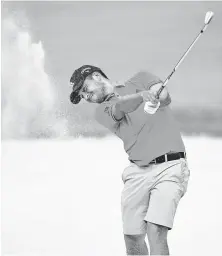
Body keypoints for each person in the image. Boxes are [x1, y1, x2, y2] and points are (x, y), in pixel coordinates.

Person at [69, 65, 190, 255]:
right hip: (137, 173)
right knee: (132, 238)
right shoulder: (102, 111)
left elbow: (164, 96)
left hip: (171, 166)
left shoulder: (142, 77)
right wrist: (142, 97)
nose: (85, 96)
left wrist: (155, 95)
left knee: (155, 229)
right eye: (82, 96)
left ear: (96, 76)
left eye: (84, 89)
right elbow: (119, 108)